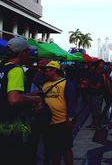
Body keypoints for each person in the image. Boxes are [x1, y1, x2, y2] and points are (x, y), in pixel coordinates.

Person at [0, 36, 43, 165]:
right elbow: (14, 99)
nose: (28, 54)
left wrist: (28, 95)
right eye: (27, 51)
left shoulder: (3, 68)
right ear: (22, 52)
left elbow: (6, 95)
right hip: (14, 127)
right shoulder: (16, 70)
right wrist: (35, 98)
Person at [42, 61, 76, 165]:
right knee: (54, 150)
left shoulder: (65, 83)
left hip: (63, 122)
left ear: (55, 71)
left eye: (48, 70)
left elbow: (71, 102)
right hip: (49, 123)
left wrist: (70, 119)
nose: (46, 73)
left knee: (66, 148)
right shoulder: (45, 84)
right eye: (45, 71)